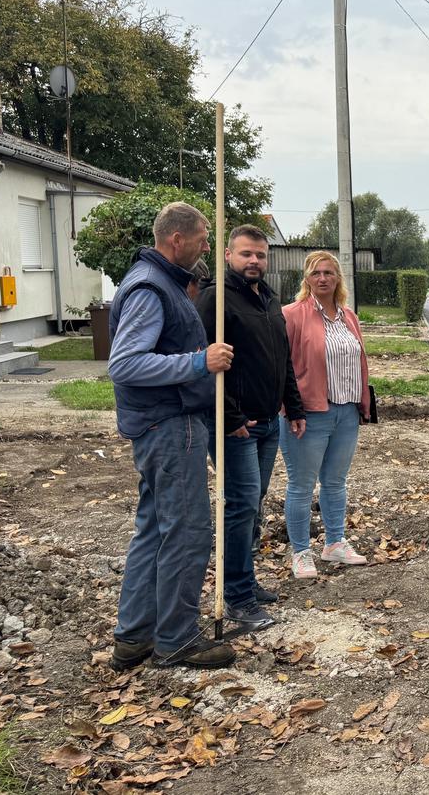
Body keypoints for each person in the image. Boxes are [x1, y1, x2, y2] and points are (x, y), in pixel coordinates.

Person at [107, 202, 236, 671]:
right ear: (176, 240)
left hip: (162, 424)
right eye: (203, 238)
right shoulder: (149, 287)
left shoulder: (160, 282)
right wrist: (200, 361)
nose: (207, 245)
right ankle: (177, 638)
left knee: (154, 530)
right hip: (169, 424)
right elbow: (124, 364)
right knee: (186, 530)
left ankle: (135, 637)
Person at [194, 224, 306, 628]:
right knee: (238, 508)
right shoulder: (215, 299)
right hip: (235, 427)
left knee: (252, 505)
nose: (254, 261)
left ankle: (246, 580)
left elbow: (283, 358)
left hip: (268, 423)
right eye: (246, 254)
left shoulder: (269, 299)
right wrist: (231, 416)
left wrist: (293, 406)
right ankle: (237, 597)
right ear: (228, 256)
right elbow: (202, 362)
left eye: (260, 254)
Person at [280, 250, 372, 579]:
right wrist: (288, 407)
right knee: (301, 485)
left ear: (338, 279)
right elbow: (281, 366)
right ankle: (301, 552)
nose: (323, 278)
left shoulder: (349, 316)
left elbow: (360, 361)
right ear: (306, 279)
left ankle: (334, 543)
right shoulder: (291, 315)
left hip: (347, 412)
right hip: (307, 414)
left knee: (335, 482)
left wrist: (363, 403)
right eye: (316, 273)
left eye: (329, 273)